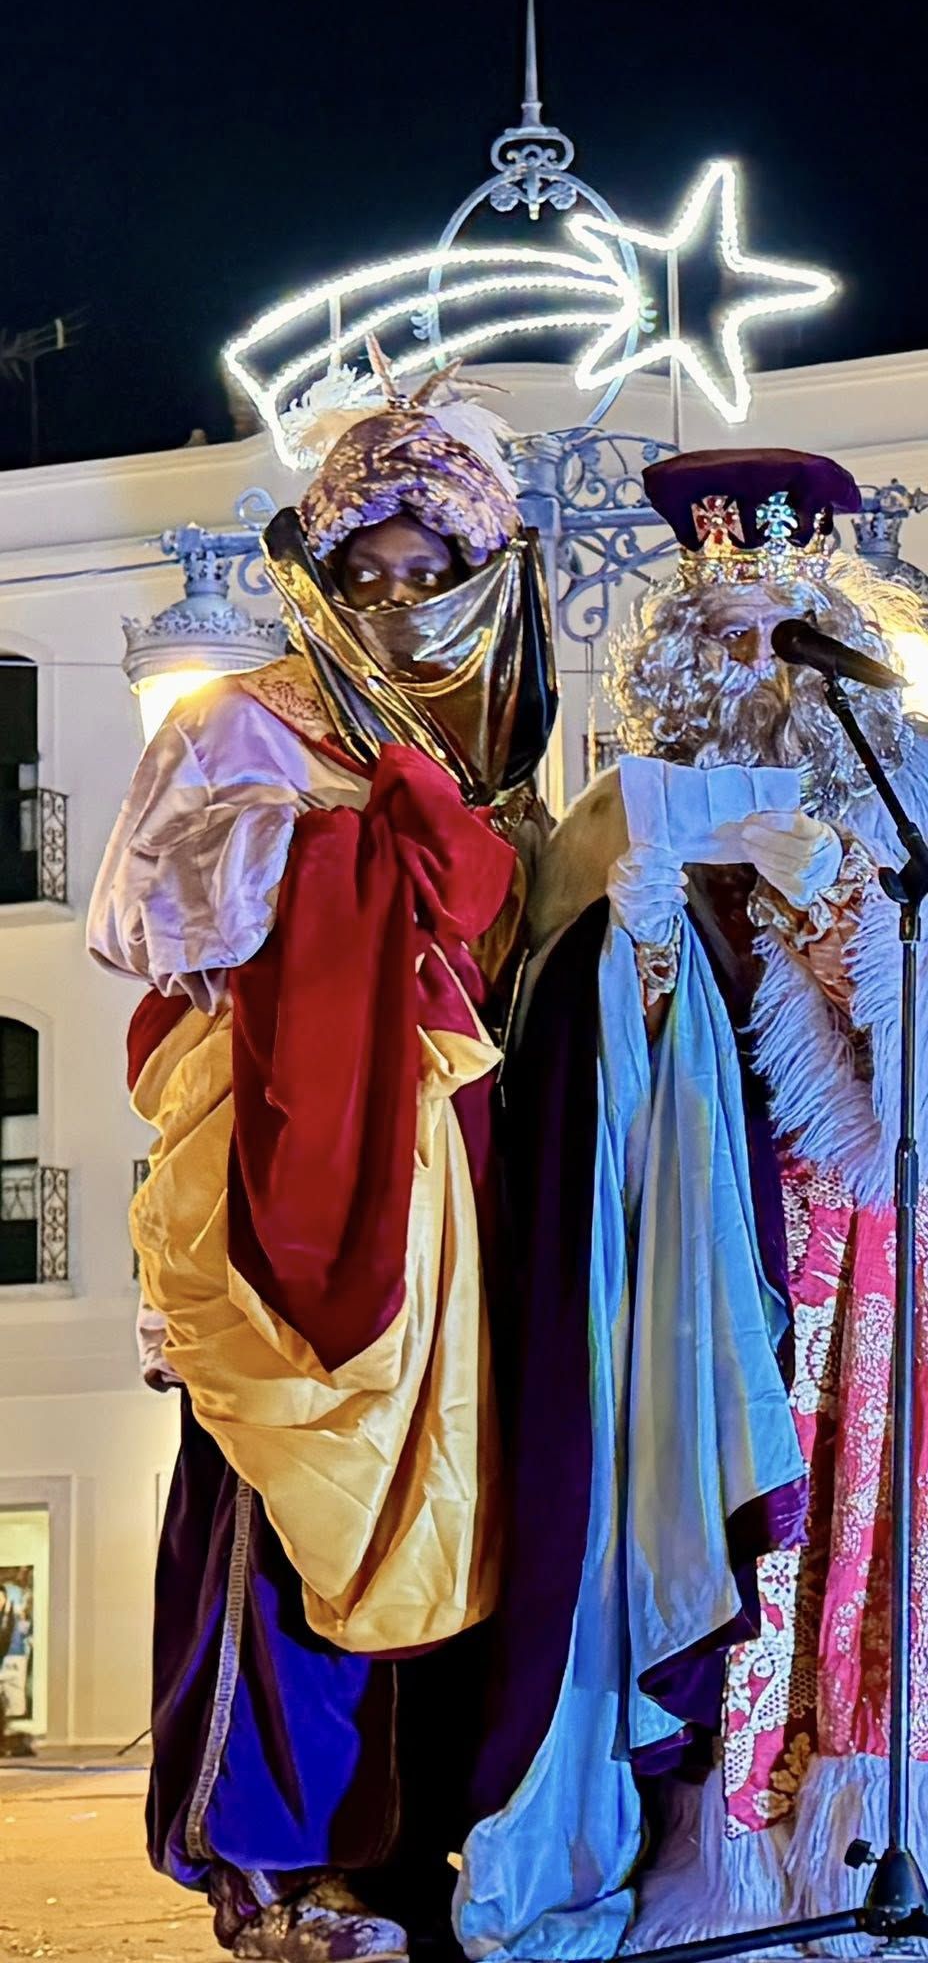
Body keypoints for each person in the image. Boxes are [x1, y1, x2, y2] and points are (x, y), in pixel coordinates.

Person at [456, 448, 928, 1959]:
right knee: (704, 1536)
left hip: (889, 1259)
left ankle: (927, 1850)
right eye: (717, 633)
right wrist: (636, 944)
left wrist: (839, 900)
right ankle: (708, 1856)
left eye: (777, 631)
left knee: (902, 1537)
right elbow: (548, 1061)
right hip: (694, 1250)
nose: (748, 668)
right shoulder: (612, 813)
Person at [89, 356, 556, 1963]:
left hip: (466, 1198)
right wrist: (353, 846)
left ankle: (426, 1848)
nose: (404, 598)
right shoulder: (242, 722)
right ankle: (277, 1863)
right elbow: (145, 929)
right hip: (297, 1174)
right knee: (283, 1509)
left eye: (438, 572)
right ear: (322, 569)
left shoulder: (499, 762)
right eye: (370, 568)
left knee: (469, 1511)